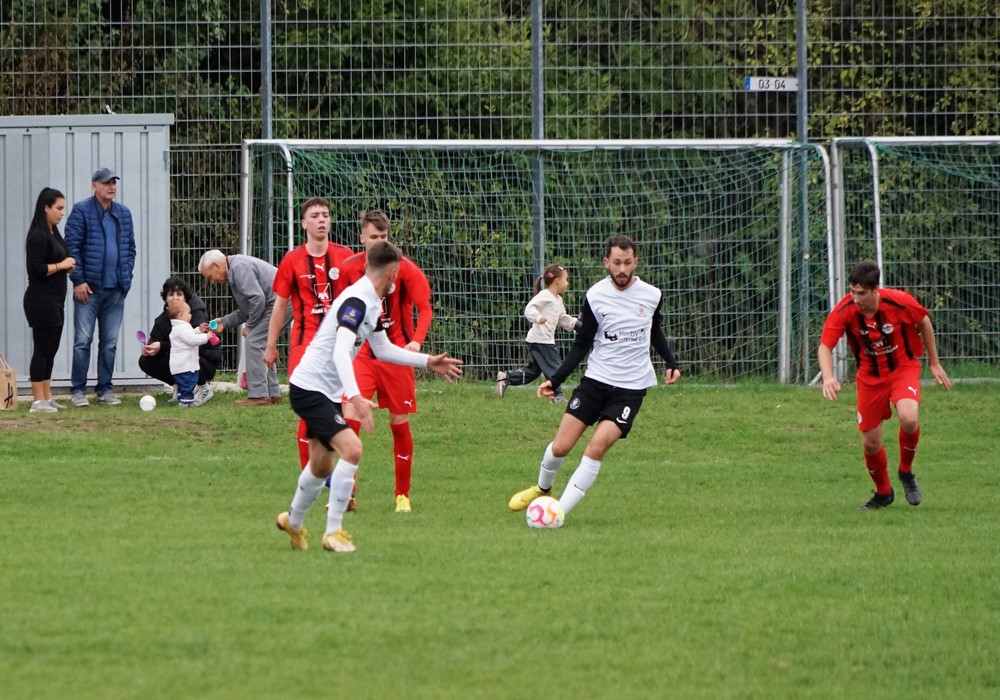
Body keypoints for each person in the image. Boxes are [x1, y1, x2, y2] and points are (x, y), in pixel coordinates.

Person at [275, 241, 463, 553]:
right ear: (393, 273)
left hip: (322, 391)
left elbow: (383, 349)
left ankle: (292, 521)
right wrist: (356, 397)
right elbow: (340, 351)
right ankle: (333, 533)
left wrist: (428, 361)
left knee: (321, 466)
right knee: (352, 449)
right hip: (310, 389)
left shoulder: (372, 303)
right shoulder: (357, 301)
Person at [508, 234, 681, 522]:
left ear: (636, 262)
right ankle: (542, 489)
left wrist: (671, 362)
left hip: (630, 390)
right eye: (617, 263)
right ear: (606, 263)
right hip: (595, 383)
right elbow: (582, 344)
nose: (622, 269)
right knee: (561, 447)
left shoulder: (652, 295)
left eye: (628, 263)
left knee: (596, 447)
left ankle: (557, 513)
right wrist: (555, 379)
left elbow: (654, 330)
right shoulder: (596, 295)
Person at [818, 260, 952, 510]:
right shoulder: (845, 310)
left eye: (861, 293)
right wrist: (828, 376)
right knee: (870, 443)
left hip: (902, 369)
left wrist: (934, 363)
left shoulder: (899, 301)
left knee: (909, 417)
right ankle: (883, 493)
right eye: (852, 291)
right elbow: (825, 346)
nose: (855, 298)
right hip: (869, 378)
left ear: (874, 290)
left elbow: (924, 322)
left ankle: (906, 471)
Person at [339, 210, 433, 513]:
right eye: (374, 237)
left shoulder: (406, 268)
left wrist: (416, 340)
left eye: (384, 237)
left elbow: (424, 307)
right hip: (362, 354)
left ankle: (402, 495)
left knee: (399, 421)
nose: (380, 242)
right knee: (350, 415)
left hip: (395, 355)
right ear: (362, 238)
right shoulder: (349, 269)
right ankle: (347, 493)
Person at [264, 197, 354, 467]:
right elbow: (280, 305)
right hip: (304, 345)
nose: (321, 220)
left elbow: (358, 299)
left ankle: (339, 480)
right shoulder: (292, 260)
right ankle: (310, 474)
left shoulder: (345, 256)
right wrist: (270, 345)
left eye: (325, 214)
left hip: (340, 345)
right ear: (304, 224)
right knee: (310, 412)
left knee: (340, 410)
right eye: (315, 216)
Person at [64, 167, 137, 407]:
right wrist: (78, 281)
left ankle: (105, 390)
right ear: (94, 185)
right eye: (106, 183)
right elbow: (72, 247)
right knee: (82, 341)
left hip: (116, 290)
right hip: (89, 290)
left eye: (114, 182)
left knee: (110, 343)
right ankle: (78, 391)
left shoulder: (123, 213)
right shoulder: (81, 211)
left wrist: (126, 277)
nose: (112, 187)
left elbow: (130, 249)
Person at [198, 249, 290, 406]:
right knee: (262, 342)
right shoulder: (235, 268)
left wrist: (250, 327)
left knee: (254, 341)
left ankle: (259, 396)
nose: (212, 282)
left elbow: (257, 300)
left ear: (216, 265)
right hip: (280, 301)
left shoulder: (238, 268)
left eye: (210, 277)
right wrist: (224, 322)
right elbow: (248, 309)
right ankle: (272, 393)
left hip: (281, 302)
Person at [23, 187, 76, 413]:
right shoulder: (38, 235)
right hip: (40, 300)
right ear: (46, 207)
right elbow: (34, 269)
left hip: (56, 300)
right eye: (58, 208)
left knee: (52, 349)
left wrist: (68, 266)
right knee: (42, 349)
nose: (62, 213)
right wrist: (61, 265)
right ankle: (37, 401)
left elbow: (62, 258)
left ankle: (47, 396)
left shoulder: (54, 232)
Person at [496, 263, 580, 402]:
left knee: (533, 372)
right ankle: (557, 395)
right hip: (541, 340)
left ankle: (507, 377)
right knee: (555, 367)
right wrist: (538, 317)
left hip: (540, 340)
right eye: (566, 279)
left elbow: (562, 318)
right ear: (557, 280)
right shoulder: (545, 295)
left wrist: (576, 325)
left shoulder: (558, 300)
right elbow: (529, 309)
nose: (568, 283)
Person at [138, 277, 221, 406]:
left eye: (179, 294)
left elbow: (196, 342)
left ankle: (203, 388)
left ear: (185, 297)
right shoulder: (161, 320)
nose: (175, 298)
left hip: (203, 359)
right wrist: (150, 348)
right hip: (180, 359)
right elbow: (155, 339)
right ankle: (180, 387)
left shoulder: (194, 313)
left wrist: (162, 346)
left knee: (186, 353)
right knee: (145, 361)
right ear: (165, 298)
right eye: (171, 294)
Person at [167, 299, 216, 407]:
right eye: (189, 313)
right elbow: (191, 340)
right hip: (185, 366)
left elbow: (189, 335)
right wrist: (206, 337)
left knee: (183, 385)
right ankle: (185, 403)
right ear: (180, 315)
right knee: (188, 385)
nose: (191, 315)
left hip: (181, 366)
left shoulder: (180, 328)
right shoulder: (181, 328)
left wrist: (198, 330)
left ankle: (181, 399)